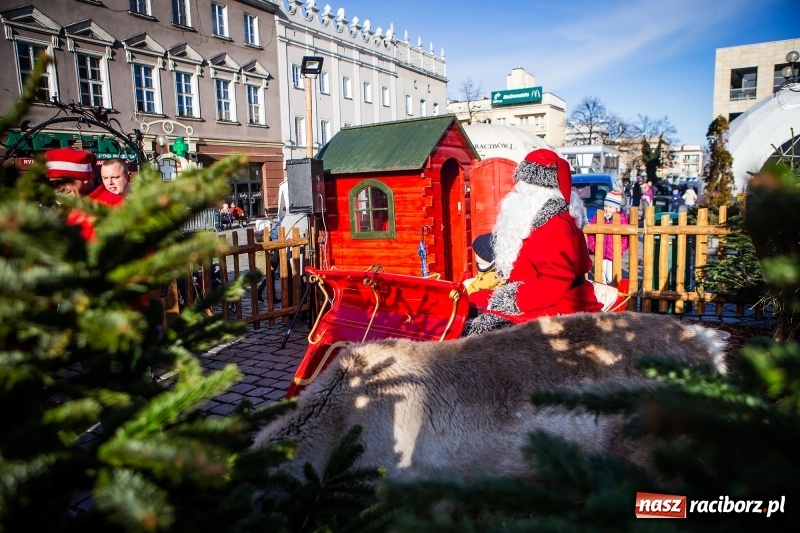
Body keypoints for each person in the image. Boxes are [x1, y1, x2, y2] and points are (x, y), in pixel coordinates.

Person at [467, 148, 602, 335]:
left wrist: (509, 298)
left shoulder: (556, 224)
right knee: (471, 300)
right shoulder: (537, 219)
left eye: (524, 186)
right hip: (535, 295)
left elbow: (553, 283)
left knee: (481, 329)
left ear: (536, 190)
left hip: (563, 302)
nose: (517, 191)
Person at [45, 147, 121, 241]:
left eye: (64, 181)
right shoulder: (58, 208)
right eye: (53, 182)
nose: (58, 188)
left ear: (85, 177)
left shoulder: (117, 205)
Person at [587, 190, 629, 285]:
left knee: (610, 277)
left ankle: (612, 294)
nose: (607, 209)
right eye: (606, 206)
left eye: (610, 207)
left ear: (617, 209)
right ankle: (603, 297)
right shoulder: (599, 216)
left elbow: (625, 237)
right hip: (600, 252)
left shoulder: (621, 218)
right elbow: (590, 232)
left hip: (613, 253)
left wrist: (620, 250)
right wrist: (594, 246)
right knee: (600, 277)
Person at [463, 233, 503, 309]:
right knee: (466, 283)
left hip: (484, 301)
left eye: (478, 254)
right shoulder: (487, 267)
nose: (475, 255)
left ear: (487, 257)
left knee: (465, 286)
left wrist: (467, 292)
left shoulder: (492, 276)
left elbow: (480, 287)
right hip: (481, 292)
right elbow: (480, 278)